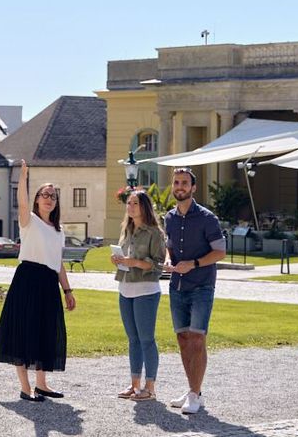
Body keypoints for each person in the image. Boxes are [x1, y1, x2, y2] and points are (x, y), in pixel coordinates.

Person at [0, 159, 77, 402]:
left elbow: (58, 263)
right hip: (27, 280)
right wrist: (23, 177)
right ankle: (25, 387)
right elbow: (21, 199)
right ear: (37, 199)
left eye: (53, 195)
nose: (49, 199)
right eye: (45, 194)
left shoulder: (58, 230)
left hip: (48, 284)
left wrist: (68, 290)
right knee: (24, 331)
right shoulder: (28, 220)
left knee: (46, 332)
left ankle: (42, 384)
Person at [163, 167, 226, 414]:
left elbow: (220, 251)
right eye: (176, 182)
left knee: (197, 339)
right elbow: (169, 246)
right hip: (176, 286)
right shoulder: (169, 217)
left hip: (201, 286)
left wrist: (194, 263)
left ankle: (194, 394)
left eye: (184, 183)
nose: (179, 186)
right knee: (182, 339)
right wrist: (169, 259)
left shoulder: (208, 218)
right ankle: (193, 390)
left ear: (193, 188)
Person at [110, 190, 166, 402]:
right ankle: (135, 386)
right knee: (133, 340)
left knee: (146, 340)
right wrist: (118, 260)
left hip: (146, 291)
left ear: (144, 206)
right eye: (129, 203)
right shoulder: (126, 230)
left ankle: (150, 388)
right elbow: (125, 257)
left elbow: (158, 265)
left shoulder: (154, 233)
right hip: (125, 289)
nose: (130, 206)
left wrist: (133, 262)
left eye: (135, 203)